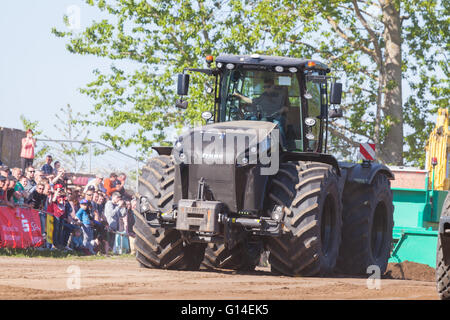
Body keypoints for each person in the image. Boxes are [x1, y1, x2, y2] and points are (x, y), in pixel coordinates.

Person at [233, 78, 289, 147]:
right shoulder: (263, 96)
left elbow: (287, 108)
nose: (266, 89)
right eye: (264, 87)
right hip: (266, 118)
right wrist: (239, 96)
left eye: (268, 87)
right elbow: (251, 101)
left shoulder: (280, 96)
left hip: (277, 117)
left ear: (273, 86)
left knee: (278, 124)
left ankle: (283, 147)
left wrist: (283, 109)